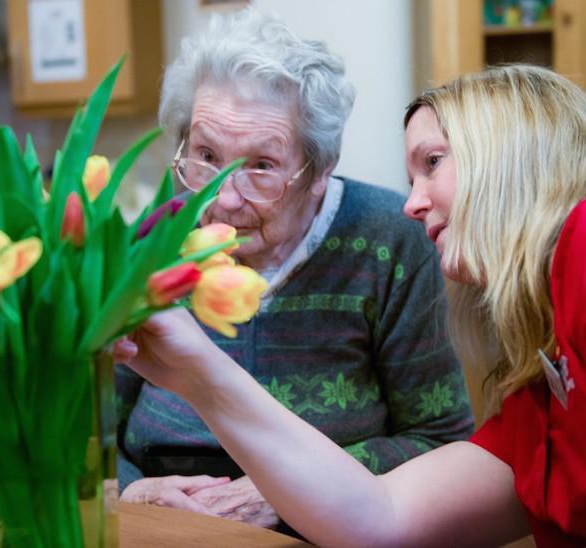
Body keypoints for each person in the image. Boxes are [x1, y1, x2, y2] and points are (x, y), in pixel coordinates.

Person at [114, 63, 586, 547]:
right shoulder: (537, 402)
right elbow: (378, 517)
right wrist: (200, 375)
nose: (411, 203)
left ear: (512, 152)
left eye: (432, 162)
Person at [116, 9, 473, 529]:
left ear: (319, 172)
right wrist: (133, 490)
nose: (224, 198)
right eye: (205, 155)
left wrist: (288, 489)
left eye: (261, 166)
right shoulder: (154, 240)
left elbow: (442, 441)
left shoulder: (388, 243)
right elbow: (85, 428)